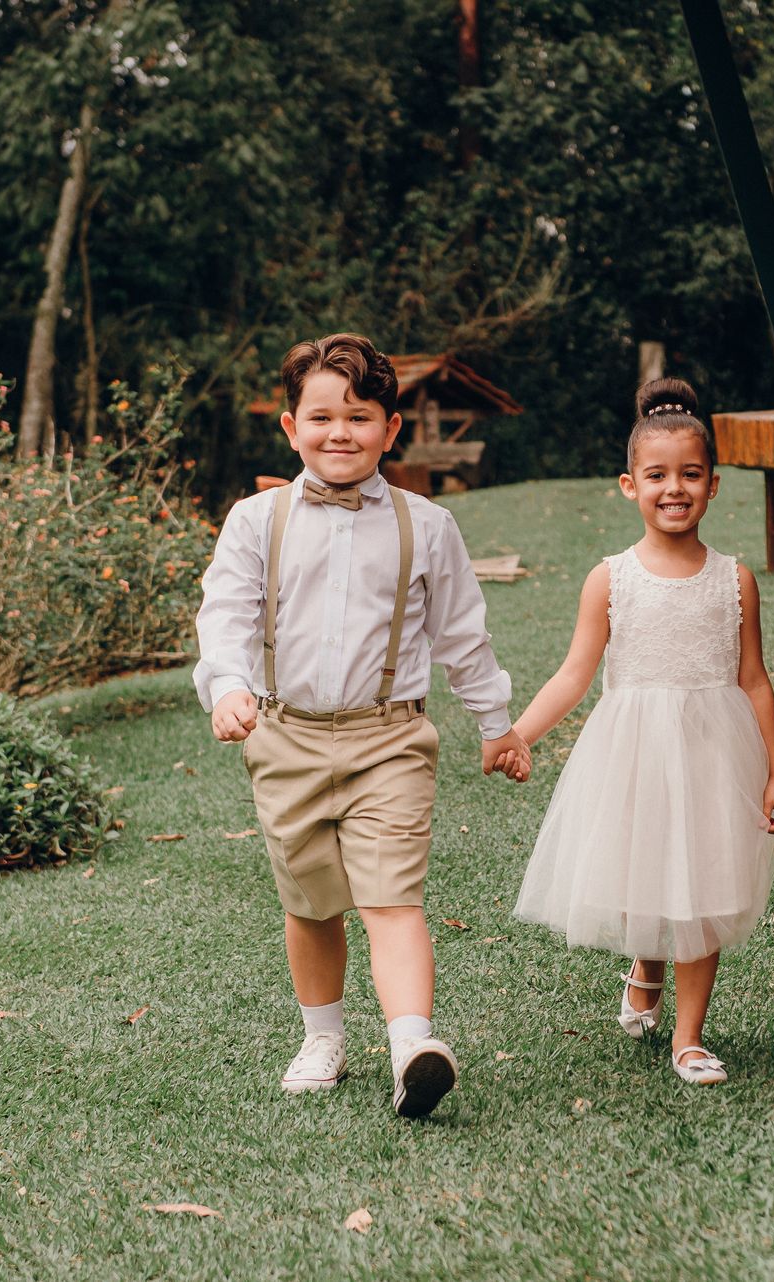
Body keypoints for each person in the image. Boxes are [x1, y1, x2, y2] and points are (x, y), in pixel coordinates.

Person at [194, 332, 530, 1117]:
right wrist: (230, 688)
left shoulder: (427, 526)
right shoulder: (255, 521)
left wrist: (495, 722)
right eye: (321, 416)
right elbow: (227, 618)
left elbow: (461, 636)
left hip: (391, 738)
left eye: (360, 416)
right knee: (311, 900)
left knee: (391, 895)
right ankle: (323, 1036)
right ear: (290, 427)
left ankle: (413, 1044)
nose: (339, 431)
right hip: (286, 734)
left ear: (391, 428)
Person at [505, 377, 774, 1085]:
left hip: (714, 753)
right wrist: (519, 733)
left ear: (715, 485)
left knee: (705, 885)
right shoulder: (611, 579)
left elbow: (754, 679)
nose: (675, 488)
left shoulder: (735, 580)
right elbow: (574, 673)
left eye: (690, 475)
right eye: (658, 476)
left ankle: (688, 1040)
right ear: (629, 485)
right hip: (632, 750)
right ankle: (646, 961)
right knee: (646, 877)